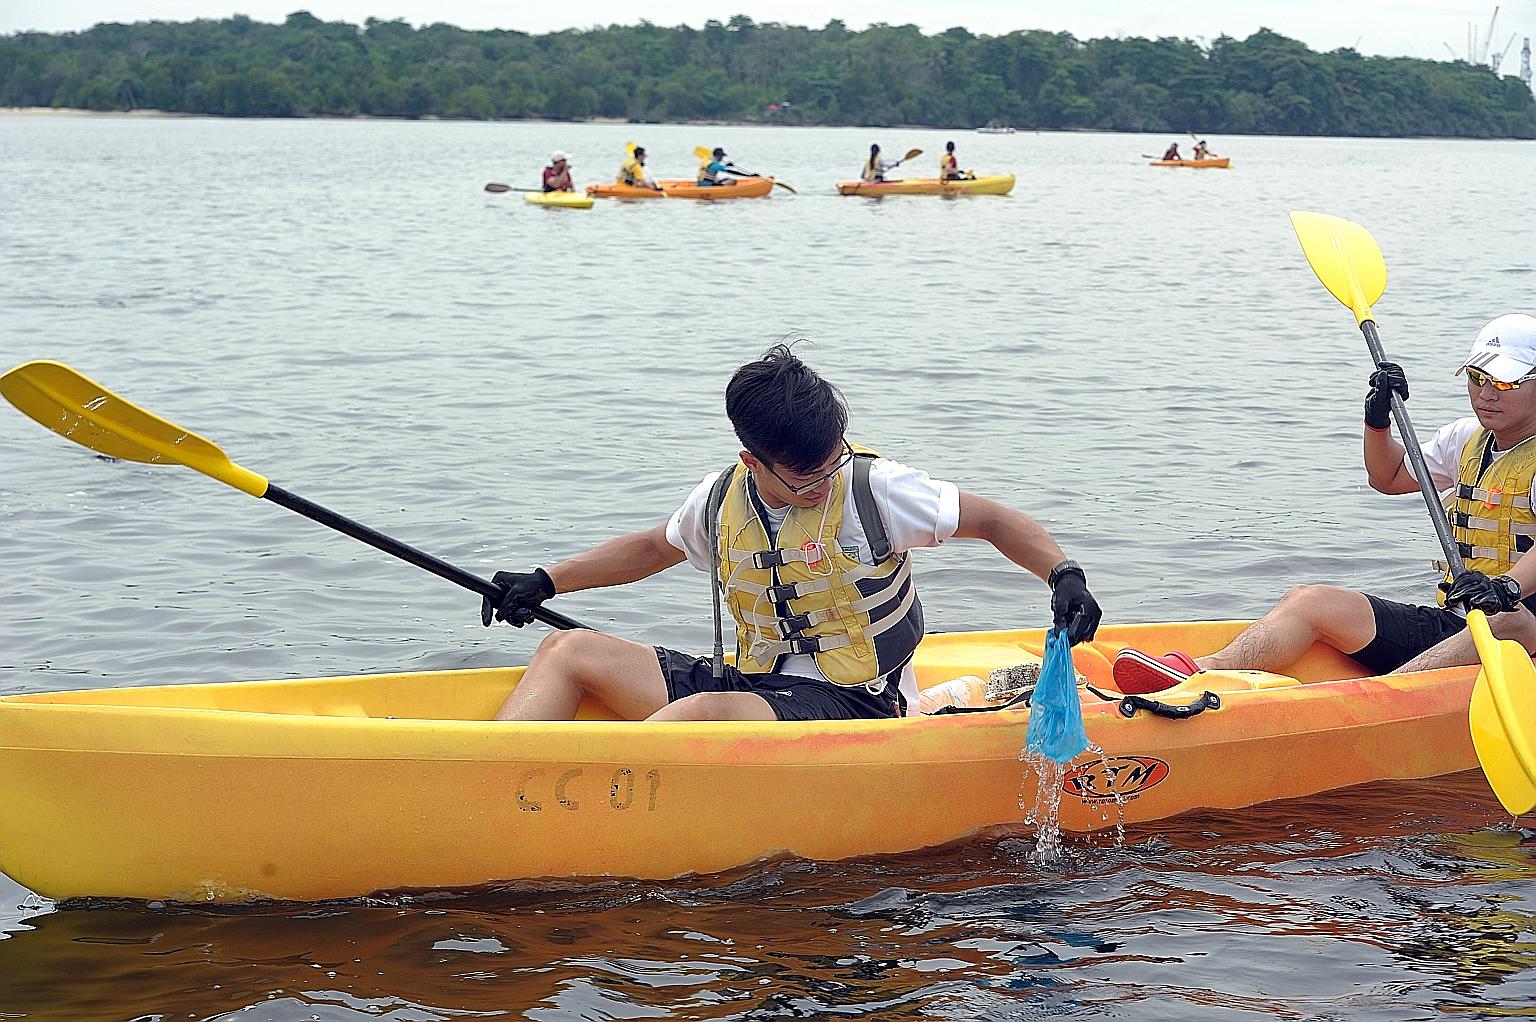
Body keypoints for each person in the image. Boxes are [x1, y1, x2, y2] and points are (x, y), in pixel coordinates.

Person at [482, 344, 1104, 723]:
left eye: (832, 463)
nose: (825, 485)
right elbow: (652, 547)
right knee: (567, 651)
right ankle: (494, 785)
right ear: (754, 462)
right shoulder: (721, 496)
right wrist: (547, 581)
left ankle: (586, 797)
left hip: (856, 702)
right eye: (806, 480)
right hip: (753, 685)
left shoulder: (877, 488)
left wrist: (1063, 575)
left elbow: (994, 520)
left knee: (701, 715)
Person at [1112, 314, 1536, 695]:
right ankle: (1198, 673)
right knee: (1309, 598)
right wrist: (1377, 421)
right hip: (1461, 621)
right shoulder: (1464, 439)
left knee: (1507, 621)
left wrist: (1508, 587)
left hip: (1522, 629)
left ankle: (1385, 701)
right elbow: (1388, 477)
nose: (1486, 394)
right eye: (1478, 378)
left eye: (1505, 383)